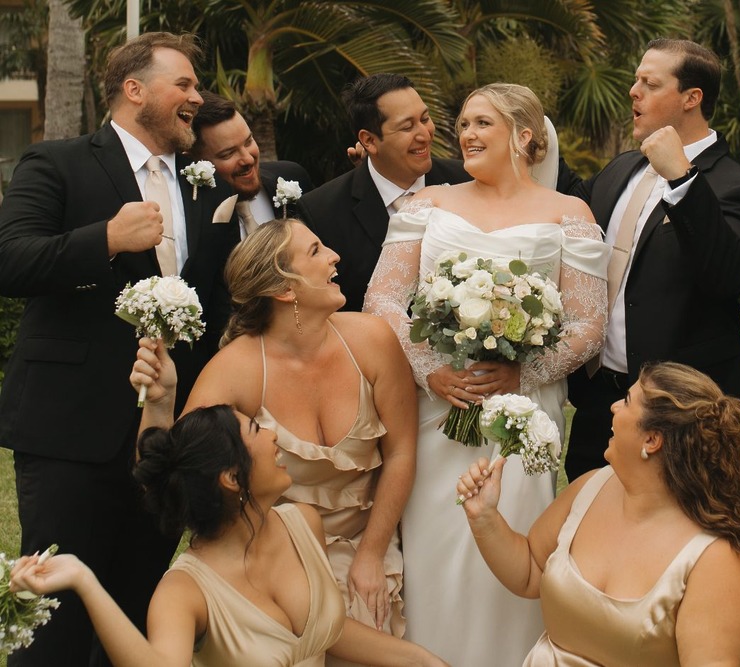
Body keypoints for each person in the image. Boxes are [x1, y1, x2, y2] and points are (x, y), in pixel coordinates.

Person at [0, 32, 239, 667]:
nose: (198, 97)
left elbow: (215, 302)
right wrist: (105, 237)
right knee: (56, 615)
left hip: (166, 434)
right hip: (71, 426)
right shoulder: (57, 162)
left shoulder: (204, 185)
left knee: (138, 606)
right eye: (184, 84)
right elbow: (10, 260)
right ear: (135, 90)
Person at [363, 82, 609, 666]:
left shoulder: (569, 215)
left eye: (482, 123)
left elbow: (588, 324)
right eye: (464, 124)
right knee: (435, 546)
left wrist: (523, 374)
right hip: (437, 412)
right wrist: (430, 371)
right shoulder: (428, 205)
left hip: (521, 419)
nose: (466, 134)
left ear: (524, 136)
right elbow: (384, 299)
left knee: (512, 544)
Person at [9, 350, 446, 667]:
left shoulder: (302, 523)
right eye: (257, 429)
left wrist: (422, 659)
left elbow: (327, 633)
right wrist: (84, 581)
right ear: (233, 478)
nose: (274, 435)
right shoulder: (183, 591)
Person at [182, 218, 416, 663]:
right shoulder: (237, 369)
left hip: (372, 538)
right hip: (281, 554)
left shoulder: (372, 339)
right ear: (284, 290)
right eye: (315, 251)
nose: (334, 257)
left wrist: (371, 554)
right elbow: (183, 469)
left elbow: (401, 452)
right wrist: (159, 403)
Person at [457, 361, 740, 666]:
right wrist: (484, 516)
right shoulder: (591, 487)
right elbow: (530, 571)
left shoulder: (717, 560)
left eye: (626, 401)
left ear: (651, 440)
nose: (613, 407)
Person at [564, 38, 740, 482]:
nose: (633, 91)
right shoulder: (621, 168)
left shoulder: (737, 188)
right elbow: (564, 205)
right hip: (599, 401)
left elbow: (725, 275)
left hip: (680, 414)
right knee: (585, 516)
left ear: (691, 98)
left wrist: (681, 178)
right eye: (636, 80)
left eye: (650, 83)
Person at [299, 73, 471, 312]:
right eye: (407, 127)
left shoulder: (466, 179)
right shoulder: (321, 212)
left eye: (425, 118)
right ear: (369, 140)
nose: (425, 134)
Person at [190, 91, 314, 238]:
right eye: (228, 154)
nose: (248, 159)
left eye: (248, 142)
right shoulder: (192, 219)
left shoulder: (292, 176)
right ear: (195, 162)